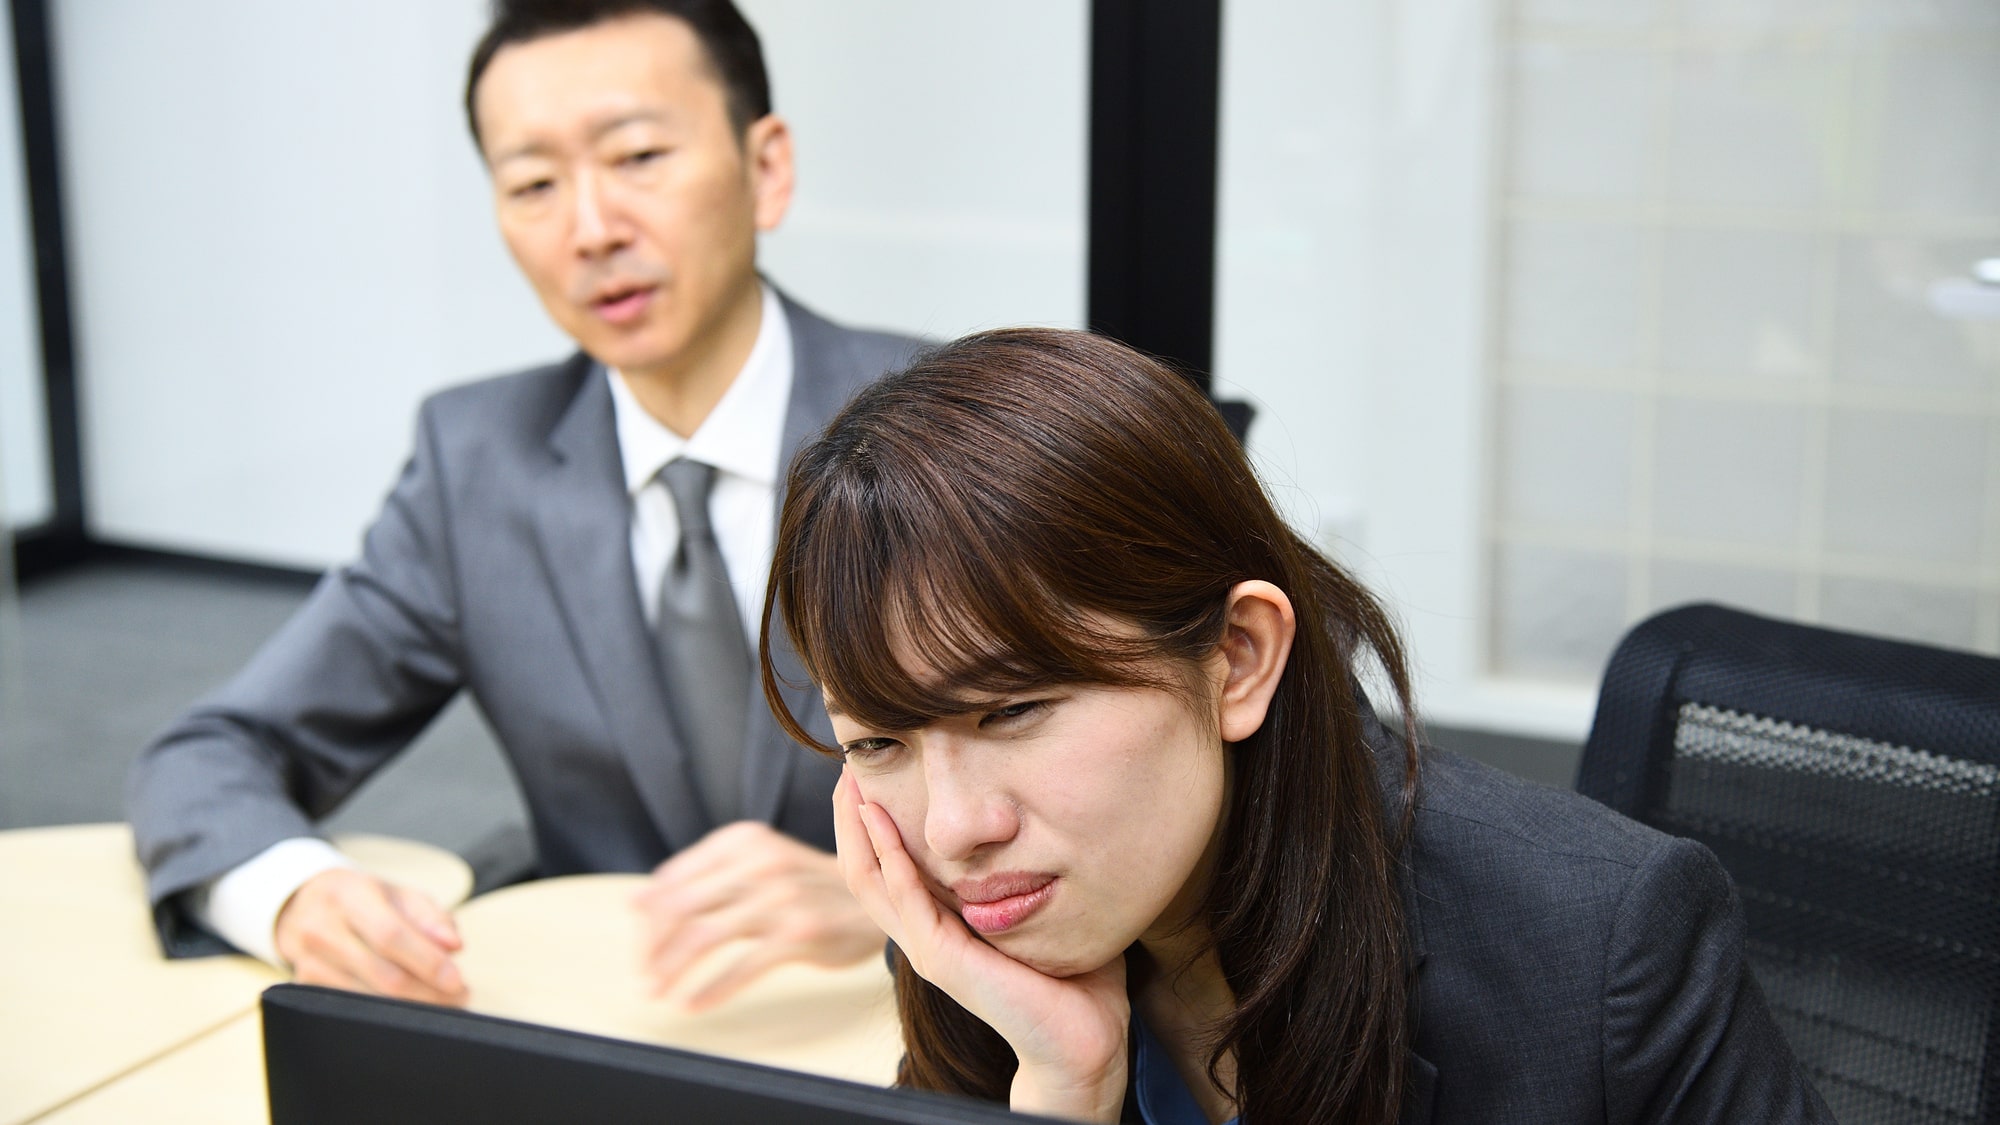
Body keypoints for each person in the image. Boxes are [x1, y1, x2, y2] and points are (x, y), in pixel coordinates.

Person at [760, 329, 1835, 1123]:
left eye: (1014, 710)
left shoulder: (1599, 948)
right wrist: (1062, 1087)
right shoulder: (980, 926)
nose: (954, 827)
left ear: (1236, 659)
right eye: (878, 742)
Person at [126, 0, 917, 1011]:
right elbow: (211, 755)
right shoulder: (477, 465)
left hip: (914, 1034)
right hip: (601, 1028)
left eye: (637, 157)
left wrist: (893, 904)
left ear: (765, 169)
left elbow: (1099, 792)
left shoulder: (944, 428)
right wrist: (295, 895)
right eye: (534, 184)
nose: (590, 230)